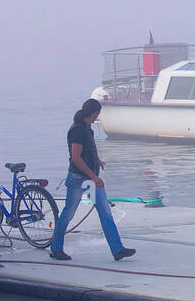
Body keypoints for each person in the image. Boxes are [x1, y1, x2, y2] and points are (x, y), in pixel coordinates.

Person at [48, 99, 136, 261]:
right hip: (79, 178)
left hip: (89, 179)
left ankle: (118, 249)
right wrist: (94, 177)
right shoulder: (78, 131)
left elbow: (87, 152)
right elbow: (76, 158)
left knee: (105, 212)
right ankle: (56, 248)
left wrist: (98, 161)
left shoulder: (87, 128)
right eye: (98, 113)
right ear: (94, 113)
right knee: (68, 213)